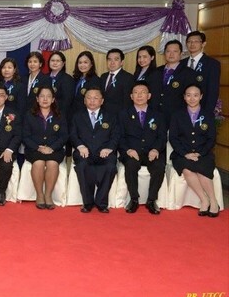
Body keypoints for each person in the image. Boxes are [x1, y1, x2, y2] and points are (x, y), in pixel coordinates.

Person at [169, 84, 219, 218]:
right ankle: (204, 200)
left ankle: (213, 201)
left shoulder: (208, 115)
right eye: (189, 95)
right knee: (187, 169)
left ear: (201, 97)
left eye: (196, 95)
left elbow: (211, 138)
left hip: (203, 153)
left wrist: (200, 153)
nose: (192, 98)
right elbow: (173, 138)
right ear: (184, 97)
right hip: (182, 153)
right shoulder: (177, 115)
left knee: (203, 169)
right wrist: (186, 153)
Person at [118, 82, 167, 215]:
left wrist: (156, 149)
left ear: (149, 95)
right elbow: (119, 136)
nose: (139, 95)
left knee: (159, 166)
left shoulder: (158, 115)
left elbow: (162, 137)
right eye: (136, 92)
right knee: (131, 165)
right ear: (131, 96)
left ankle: (151, 200)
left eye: (143, 92)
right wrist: (128, 150)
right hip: (132, 152)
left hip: (151, 152)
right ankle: (134, 199)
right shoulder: (124, 114)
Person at [70, 87, 120, 213]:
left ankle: (101, 202)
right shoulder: (77, 116)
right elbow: (73, 135)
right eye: (89, 97)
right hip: (83, 151)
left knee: (110, 166)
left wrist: (109, 148)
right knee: (82, 166)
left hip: (104, 152)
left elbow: (116, 135)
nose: (92, 100)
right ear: (84, 100)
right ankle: (87, 202)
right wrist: (80, 146)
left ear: (102, 101)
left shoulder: (111, 117)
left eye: (96, 98)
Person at [22, 86, 68, 210]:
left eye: (48, 96)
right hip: (34, 149)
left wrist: (52, 148)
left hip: (54, 150)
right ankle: (40, 195)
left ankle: (48, 195)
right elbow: (25, 136)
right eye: (42, 96)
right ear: (37, 99)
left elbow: (64, 136)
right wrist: (38, 147)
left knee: (53, 163)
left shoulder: (59, 115)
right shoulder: (29, 115)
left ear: (53, 99)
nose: (45, 99)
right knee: (39, 163)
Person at [149, 40, 196, 124]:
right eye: (168, 51)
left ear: (181, 54)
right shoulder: (155, 72)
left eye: (175, 51)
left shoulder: (188, 73)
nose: (171, 54)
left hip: (176, 117)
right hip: (155, 116)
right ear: (164, 54)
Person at [180, 31, 220, 115]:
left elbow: (213, 91)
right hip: (182, 110)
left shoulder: (212, 64)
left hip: (202, 108)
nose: (192, 44)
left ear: (203, 44)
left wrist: (207, 112)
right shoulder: (181, 63)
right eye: (189, 41)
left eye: (196, 41)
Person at [100, 48, 134, 115]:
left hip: (119, 117)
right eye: (109, 59)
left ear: (122, 62)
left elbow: (127, 102)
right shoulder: (103, 76)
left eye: (116, 59)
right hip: (103, 116)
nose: (112, 62)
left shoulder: (128, 78)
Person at [48, 51, 74, 120]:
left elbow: (67, 101)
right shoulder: (44, 77)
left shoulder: (68, 79)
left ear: (63, 63)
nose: (55, 63)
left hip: (59, 116)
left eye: (58, 61)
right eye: (52, 60)